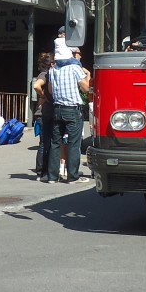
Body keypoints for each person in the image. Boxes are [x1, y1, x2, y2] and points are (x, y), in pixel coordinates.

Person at [44, 38, 88, 184]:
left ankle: (52, 176)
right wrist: (87, 75)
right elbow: (86, 88)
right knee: (73, 143)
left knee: (55, 142)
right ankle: (72, 176)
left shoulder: (52, 69)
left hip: (57, 109)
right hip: (72, 109)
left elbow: (50, 90)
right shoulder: (74, 68)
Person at [32, 52, 54, 181]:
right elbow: (36, 86)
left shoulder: (47, 74)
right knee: (44, 143)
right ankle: (41, 171)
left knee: (44, 143)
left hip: (42, 113)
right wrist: (43, 96)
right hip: (43, 113)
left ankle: (42, 171)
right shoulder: (44, 74)